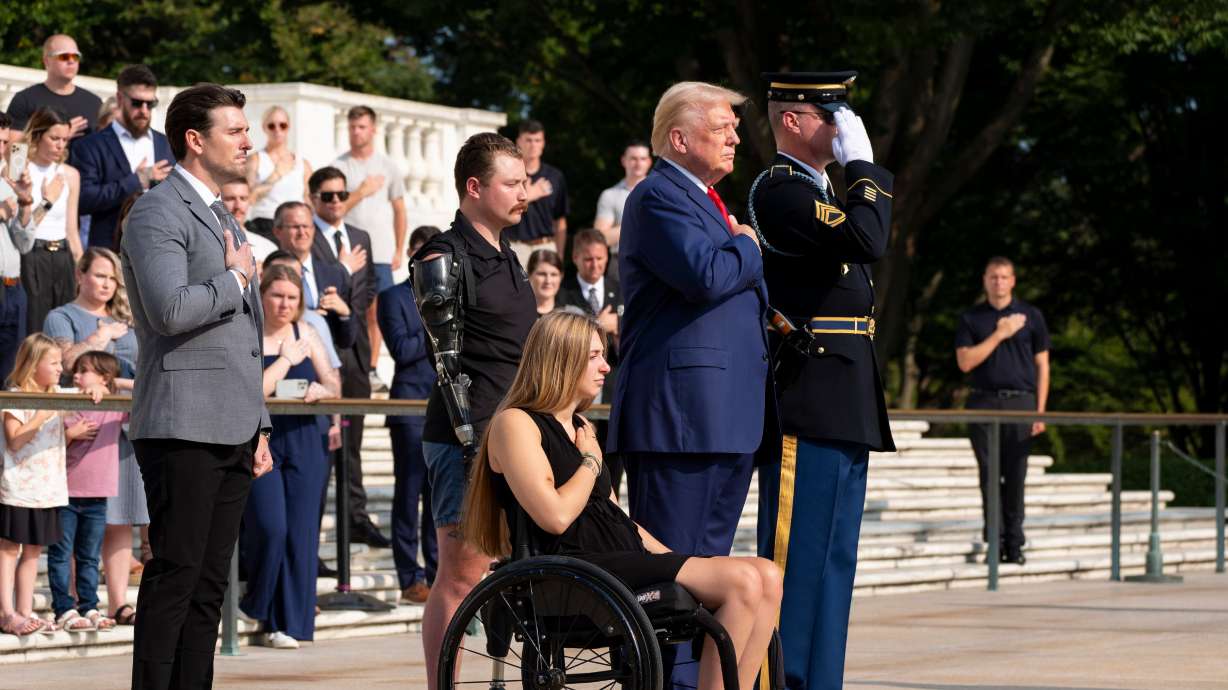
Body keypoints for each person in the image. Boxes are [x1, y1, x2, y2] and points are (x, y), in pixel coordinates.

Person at [465, 311, 782, 690]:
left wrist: (671, 557)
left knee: (768, 575)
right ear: (563, 358)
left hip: (619, 557)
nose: (605, 366)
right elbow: (555, 516)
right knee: (744, 581)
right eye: (595, 356)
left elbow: (613, 513)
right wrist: (591, 461)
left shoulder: (582, 427)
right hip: (574, 566)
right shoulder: (515, 423)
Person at [608, 80, 770, 689]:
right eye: (722, 125)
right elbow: (707, 274)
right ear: (679, 137)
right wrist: (748, 245)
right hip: (681, 419)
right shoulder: (658, 195)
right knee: (674, 580)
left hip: (721, 416)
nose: (735, 136)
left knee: (709, 581)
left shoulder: (704, 199)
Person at [120, 83, 273, 690]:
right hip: (181, 421)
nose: (247, 139)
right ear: (194, 139)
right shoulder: (158, 210)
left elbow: (248, 337)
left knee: (210, 587)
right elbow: (168, 311)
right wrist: (234, 282)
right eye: (234, 130)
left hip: (233, 422)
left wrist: (259, 421)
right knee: (176, 578)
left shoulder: (221, 215)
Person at [748, 71, 896, 690]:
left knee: (834, 565)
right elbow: (869, 238)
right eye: (829, 113)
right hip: (807, 399)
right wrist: (863, 164)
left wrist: (853, 172)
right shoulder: (782, 191)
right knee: (795, 563)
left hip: (844, 398)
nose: (841, 127)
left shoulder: (825, 191)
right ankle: (780, 681)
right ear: (793, 120)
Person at [412, 132, 536, 689]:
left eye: (525, 181)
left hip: (516, 429)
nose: (524, 193)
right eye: (511, 183)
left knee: (519, 567)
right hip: (469, 434)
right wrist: (474, 443)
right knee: (461, 576)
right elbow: (447, 362)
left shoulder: (510, 254)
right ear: (474, 187)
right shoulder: (444, 254)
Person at [42, 246, 149, 617]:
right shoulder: (62, 316)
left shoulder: (128, 319)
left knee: (121, 518)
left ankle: (119, 601)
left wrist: (117, 382)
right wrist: (100, 338)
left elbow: (145, 369)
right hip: (84, 431)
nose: (106, 283)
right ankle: (73, 601)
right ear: (80, 275)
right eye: (99, 275)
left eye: (111, 278)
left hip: (126, 428)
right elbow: (65, 363)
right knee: (80, 523)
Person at [241, 264, 339, 649]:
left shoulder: (307, 333)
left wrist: (321, 390)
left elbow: (333, 381)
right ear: (262, 296)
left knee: (301, 534)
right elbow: (253, 391)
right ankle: (257, 602)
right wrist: (284, 359)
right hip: (261, 437)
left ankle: (288, 624)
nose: (284, 304)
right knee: (270, 527)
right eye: (277, 295)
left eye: (292, 298)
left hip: (305, 437)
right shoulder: (248, 332)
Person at [955, 256, 1051, 565]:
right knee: (989, 476)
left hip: (1021, 404)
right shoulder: (971, 318)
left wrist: (1040, 412)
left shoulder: (1032, 316)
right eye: (993, 277)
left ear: (1013, 281)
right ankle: (994, 544)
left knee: (1016, 476)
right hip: (983, 402)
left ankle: (1015, 544)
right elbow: (965, 362)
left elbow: (1043, 366)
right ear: (985, 280)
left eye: (1004, 277)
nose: (999, 282)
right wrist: (1000, 333)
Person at [306, 166, 383, 548]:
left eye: (341, 194)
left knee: (353, 444)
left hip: (355, 355)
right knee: (322, 447)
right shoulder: (307, 238)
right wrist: (341, 277)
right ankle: (313, 531)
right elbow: (318, 288)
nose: (336, 201)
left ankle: (356, 516)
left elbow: (368, 291)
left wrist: (345, 303)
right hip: (320, 353)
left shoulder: (360, 236)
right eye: (328, 196)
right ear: (314, 199)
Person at [0, 334, 95, 636]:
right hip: (17, 487)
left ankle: (25, 611)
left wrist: (94, 387)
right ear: (33, 364)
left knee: (33, 553)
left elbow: (90, 390)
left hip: (48, 489)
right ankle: (6, 612)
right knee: (8, 551)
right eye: (52, 362)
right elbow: (15, 440)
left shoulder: (57, 391)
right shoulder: (16, 394)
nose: (59, 368)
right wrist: (41, 415)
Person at [376, 225, 440, 604]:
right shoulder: (392, 297)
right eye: (422, 252)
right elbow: (400, 348)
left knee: (439, 498)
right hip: (409, 407)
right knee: (408, 493)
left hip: (444, 406)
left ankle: (437, 572)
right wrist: (435, 322)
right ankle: (409, 576)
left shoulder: (452, 295)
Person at [47, 350, 124, 633]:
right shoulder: (67, 403)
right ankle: (63, 608)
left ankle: (89, 605)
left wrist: (109, 385)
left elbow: (146, 388)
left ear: (104, 376)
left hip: (97, 496)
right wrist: (69, 434)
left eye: (84, 371)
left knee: (89, 556)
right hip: (64, 493)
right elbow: (47, 442)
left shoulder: (115, 404)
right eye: (76, 371)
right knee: (60, 553)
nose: (76, 375)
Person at [331, 105, 407, 384]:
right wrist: (361, 192)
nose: (355, 132)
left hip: (383, 252)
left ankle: (372, 368)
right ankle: (349, 365)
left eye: (361, 127)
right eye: (352, 127)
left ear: (373, 130)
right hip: (351, 251)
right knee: (351, 308)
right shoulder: (339, 166)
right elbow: (334, 208)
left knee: (379, 312)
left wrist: (399, 248)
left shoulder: (389, 167)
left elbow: (400, 209)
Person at [72, 64, 174, 250]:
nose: (144, 110)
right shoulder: (90, 145)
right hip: (110, 254)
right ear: (120, 99)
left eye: (150, 104)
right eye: (137, 103)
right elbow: (83, 200)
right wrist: (136, 180)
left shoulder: (166, 144)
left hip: (161, 250)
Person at [557, 228, 623, 492]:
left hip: (612, 391)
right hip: (576, 396)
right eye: (588, 259)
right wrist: (598, 325)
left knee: (613, 469)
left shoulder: (622, 292)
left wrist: (618, 327)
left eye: (600, 258)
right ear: (575, 258)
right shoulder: (563, 294)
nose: (595, 265)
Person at [20, 108, 83, 334]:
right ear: (37, 136)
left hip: (63, 256)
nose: (60, 145)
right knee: (34, 328)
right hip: (32, 255)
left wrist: (82, 269)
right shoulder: (21, 170)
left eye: (65, 139)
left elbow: (72, 230)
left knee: (62, 328)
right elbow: (21, 227)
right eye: (54, 138)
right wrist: (47, 201)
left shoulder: (70, 174)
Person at [270, 201, 357, 352]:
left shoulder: (334, 274)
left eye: (307, 226)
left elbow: (346, 341)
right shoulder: (266, 272)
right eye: (295, 227)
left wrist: (344, 313)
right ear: (277, 231)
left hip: (324, 363)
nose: (302, 232)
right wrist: (309, 318)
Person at [5, 34, 102, 140]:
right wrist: (58, 136)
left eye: (76, 56)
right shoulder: (25, 100)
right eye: (64, 56)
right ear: (47, 61)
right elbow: (14, 151)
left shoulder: (94, 103)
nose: (71, 61)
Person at [0, 112, 37, 381]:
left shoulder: (7, 184)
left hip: (13, 288)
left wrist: (25, 205)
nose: (1, 149)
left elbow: (24, 244)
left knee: (9, 374)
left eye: (4, 142)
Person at [503, 120, 569, 266]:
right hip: (515, 247)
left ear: (543, 143)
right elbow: (501, 211)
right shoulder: (508, 174)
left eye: (537, 140)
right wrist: (529, 195)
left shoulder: (555, 176)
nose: (533, 145)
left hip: (546, 246)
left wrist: (560, 255)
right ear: (518, 142)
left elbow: (560, 221)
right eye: (528, 140)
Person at [245, 106, 312, 241]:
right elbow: (248, 197)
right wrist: (276, 175)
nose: (277, 130)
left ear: (289, 127)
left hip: (296, 227)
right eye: (272, 126)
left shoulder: (302, 164)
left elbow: (310, 201)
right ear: (264, 128)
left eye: (282, 125)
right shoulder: (255, 160)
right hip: (265, 224)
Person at [593, 141, 651, 281]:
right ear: (623, 161)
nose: (638, 163)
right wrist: (636, 220)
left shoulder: (663, 192)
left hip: (657, 260)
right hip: (622, 263)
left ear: (649, 162)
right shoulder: (610, 195)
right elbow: (600, 239)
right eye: (633, 158)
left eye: (642, 159)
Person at [220, 178, 278, 262]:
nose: (238, 206)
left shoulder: (268, 248)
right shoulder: (208, 243)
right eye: (230, 199)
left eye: (243, 198)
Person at [526, 248, 564, 316]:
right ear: (529, 275)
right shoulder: (515, 313)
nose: (548, 281)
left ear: (561, 277)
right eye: (542, 274)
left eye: (554, 274)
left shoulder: (571, 315)